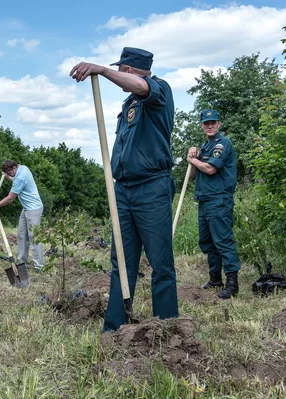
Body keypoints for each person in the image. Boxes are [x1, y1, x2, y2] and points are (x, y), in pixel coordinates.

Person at [70, 47, 178, 332]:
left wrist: (102, 70)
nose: (118, 73)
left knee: (161, 263)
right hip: (124, 191)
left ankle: (167, 330)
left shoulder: (159, 91)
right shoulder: (128, 106)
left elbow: (144, 87)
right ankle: (115, 328)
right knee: (121, 261)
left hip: (151, 188)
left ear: (128, 71)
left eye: (120, 70)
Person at [187, 110, 240, 299]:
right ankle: (215, 279)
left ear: (219, 124)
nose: (210, 126)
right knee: (208, 243)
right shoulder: (204, 147)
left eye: (213, 123)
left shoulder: (222, 144)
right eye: (206, 123)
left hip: (219, 200)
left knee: (223, 241)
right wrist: (192, 157)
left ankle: (232, 284)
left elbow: (210, 169)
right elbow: (193, 175)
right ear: (202, 126)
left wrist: (194, 159)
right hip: (204, 201)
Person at [0, 160, 44, 271]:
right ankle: (23, 263)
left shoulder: (21, 177)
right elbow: (16, 180)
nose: (9, 174)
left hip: (34, 209)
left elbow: (10, 198)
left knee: (34, 237)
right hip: (26, 209)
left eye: (9, 172)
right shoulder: (23, 168)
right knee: (21, 236)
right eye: (7, 172)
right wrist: (7, 176)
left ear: (14, 168)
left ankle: (39, 266)